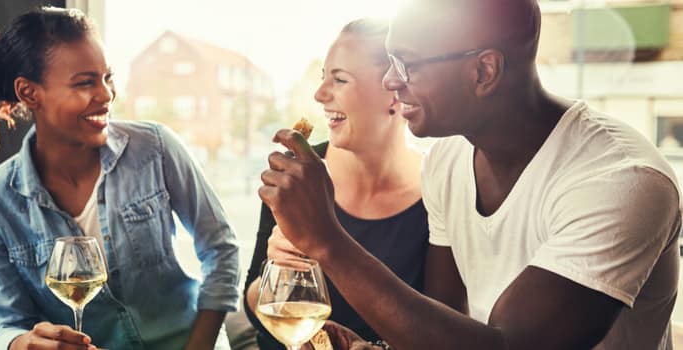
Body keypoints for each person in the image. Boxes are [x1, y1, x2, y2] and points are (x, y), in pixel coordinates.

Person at [258, 0, 681, 349]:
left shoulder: (620, 181)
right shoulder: (448, 158)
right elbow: (445, 319)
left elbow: (507, 346)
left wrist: (327, 240)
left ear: (483, 71)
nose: (391, 81)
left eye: (406, 65)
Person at [0, 7, 239, 350]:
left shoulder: (155, 148)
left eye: (107, 77)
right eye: (85, 83)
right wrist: (22, 343)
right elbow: (2, 326)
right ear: (29, 93)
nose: (107, 94)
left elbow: (220, 250)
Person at [242, 18, 449, 349]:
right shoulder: (299, 173)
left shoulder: (441, 189)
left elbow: (444, 325)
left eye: (339, 79)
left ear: (394, 92)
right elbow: (253, 305)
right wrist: (273, 272)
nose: (320, 94)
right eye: (323, 77)